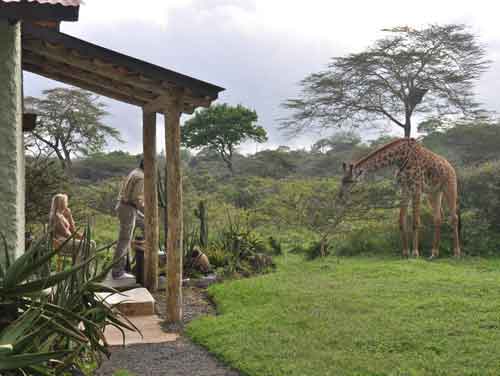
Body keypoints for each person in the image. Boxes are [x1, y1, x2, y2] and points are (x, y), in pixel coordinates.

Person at [112, 159, 145, 279]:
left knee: (146, 224)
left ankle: (133, 264)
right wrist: (147, 207)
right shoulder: (141, 177)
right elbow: (135, 199)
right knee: (124, 240)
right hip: (128, 208)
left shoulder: (135, 172)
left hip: (124, 206)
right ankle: (117, 272)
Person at [49, 193, 95, 259]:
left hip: (67, 239)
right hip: (61, 242)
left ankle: (87, 267)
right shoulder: (55, 216)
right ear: (61, 204)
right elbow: (66, 233)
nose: (66, 204)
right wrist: (78, 237)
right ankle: (80, 266)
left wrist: (70, 216)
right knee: (87, 246)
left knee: (92, 243)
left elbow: (73, 230)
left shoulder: (61, 215)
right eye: (65, 202)